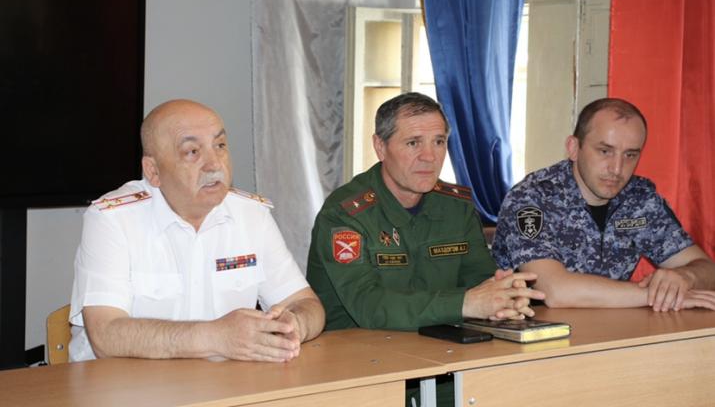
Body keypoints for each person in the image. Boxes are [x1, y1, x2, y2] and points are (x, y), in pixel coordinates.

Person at [69, 99, 325, 362]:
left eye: (220, 146)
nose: (214, 164)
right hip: (124, 383)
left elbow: (307, 304)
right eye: (192, 151)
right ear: (153, 171)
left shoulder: (252, 216)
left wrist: (293, 325)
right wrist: (216, 337)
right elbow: (106, 336)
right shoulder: (112, 219)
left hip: (224, 382)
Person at [306, 92, 544, 332]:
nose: (430, 157)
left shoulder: (457, 208)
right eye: (413, 143)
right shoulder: (345, 215)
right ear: (380, 147)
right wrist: (465, 304)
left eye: (439, 142)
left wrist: (506, 297)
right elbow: (368, 306)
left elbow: (480, 280)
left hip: (440, 343)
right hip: (357, 347)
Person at [493, 97, 715, 312]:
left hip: (613, 328)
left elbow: (707, 269)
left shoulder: (639, 199)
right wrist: (656, 295)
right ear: (573, 148)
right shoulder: (532, 197)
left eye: (630, 155)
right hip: (535, 328)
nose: (617, 168)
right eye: (605, 151)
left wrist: (686, 276)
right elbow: (554, 290)